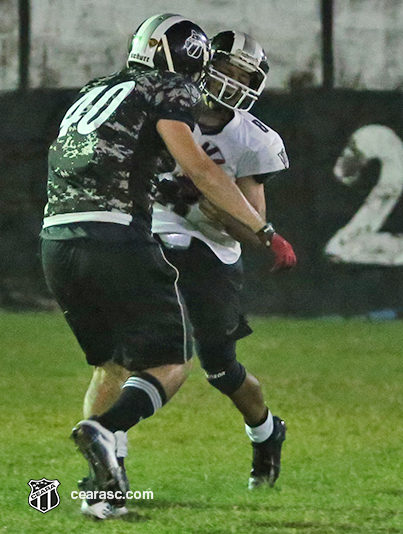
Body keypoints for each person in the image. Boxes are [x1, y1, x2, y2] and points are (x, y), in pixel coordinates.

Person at [40, 13, 289, 519]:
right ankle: (109, 466)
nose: (231, 84)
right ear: (199, 63)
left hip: (193, 250)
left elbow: (240, 212)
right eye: (225, 70)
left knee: (219, 366)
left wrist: (244, 222)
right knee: (148, 360)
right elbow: (195, 166)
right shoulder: (170, 96)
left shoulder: (247, 136)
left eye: (246, 78)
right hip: (140, 233)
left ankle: (266, 432)